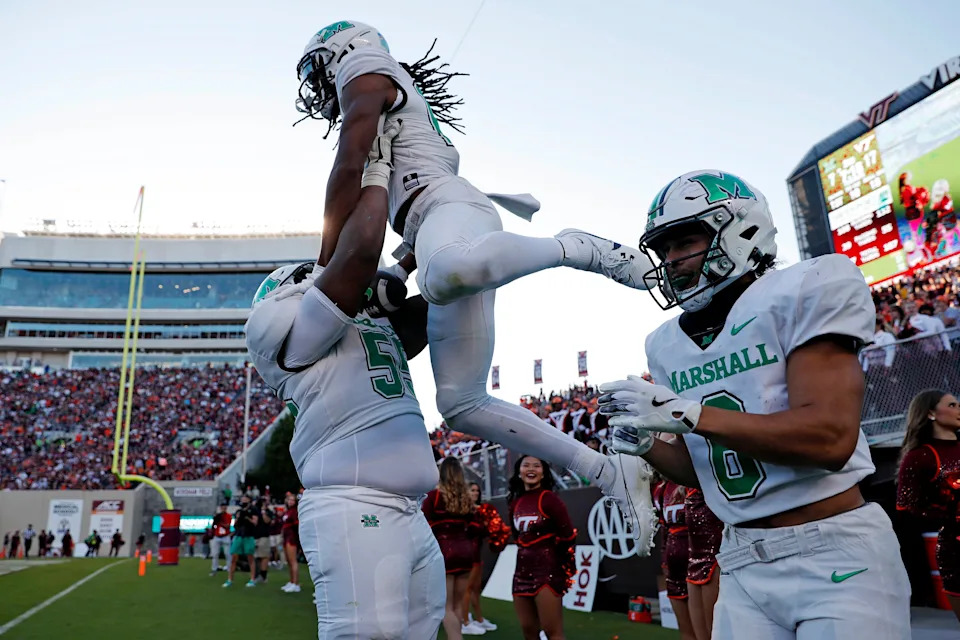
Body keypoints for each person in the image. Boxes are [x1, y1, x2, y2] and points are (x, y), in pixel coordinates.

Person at [294, 20, 659, 543]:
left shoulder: (365, 68)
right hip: (437, 228)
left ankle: (573, 247)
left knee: (449, 273)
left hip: (452, 213)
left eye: (317, 68)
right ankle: (607, 471)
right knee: (461, 402)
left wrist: (325, 265)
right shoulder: (386, 94)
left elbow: (349, 163)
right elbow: (418, 216)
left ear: (343, 50)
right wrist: (400, 268)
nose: (318, 86)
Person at [598, 170, 911, 639]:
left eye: (684, 242)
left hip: (835, 553)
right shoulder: (665, 344)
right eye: (663, 250)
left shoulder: (809, 285)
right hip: (741, 560)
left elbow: (829, 439)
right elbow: (705, 469)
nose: (672, 261)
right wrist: (646, 445)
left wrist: (687, 414)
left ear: (742, 230)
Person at [245, 119, 444, 638]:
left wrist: (435, 234)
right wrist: (375, 165)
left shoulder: (360, 328)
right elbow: (354, 259)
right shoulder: (293, 334)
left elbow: (440, 297)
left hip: (410, 511)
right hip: (354, 507)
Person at [896, 389, 960, 621]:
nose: (958, 409)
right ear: (931, 413)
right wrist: (949, 511)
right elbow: (906, 508)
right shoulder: (919, 457)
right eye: (952, 405)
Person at [507, 455, 575, 640]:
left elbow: (568, 536)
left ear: (543, 473)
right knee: (528, 631)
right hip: (520, 574)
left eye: (537, 466)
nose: (531, 469)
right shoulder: (516, 503)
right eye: (526, 465)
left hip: (547, 573)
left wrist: (555, 564)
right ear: (519, 472)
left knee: (552, 631)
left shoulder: (550, 499)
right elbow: (517, 536)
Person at [422, 458, 481, 639]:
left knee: (445, 608)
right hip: (465, 552)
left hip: (444, 552)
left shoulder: (434, 496)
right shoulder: (465, 497)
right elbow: (475, 528)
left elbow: (425, 526)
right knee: (457, 605)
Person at [461, 482, 509, 634]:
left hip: (477, 552)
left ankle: (479, 619)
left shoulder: (482, 510)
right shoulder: (463, 511)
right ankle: (465, 621)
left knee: (476, 588)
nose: (475, 493)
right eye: (472, 490)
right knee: (467, 588)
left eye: (477, 491)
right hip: (467, 553)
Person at [652, 474, 696, 640]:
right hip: (674, 564)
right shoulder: (660, 489)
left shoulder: (695, 479)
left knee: (707, 631)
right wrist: (665, 562)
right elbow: (665, 531)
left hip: (702, 563)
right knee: (686, 632)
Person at [224, 495, 258, 588]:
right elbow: (235, 525)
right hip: (239, 535)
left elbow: (255, 522)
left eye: (245, 499)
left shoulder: (253, 510)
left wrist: (247, 517)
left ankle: (252, 579)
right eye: (242, 500)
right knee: (234, 557)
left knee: (250, 557)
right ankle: (230, 579)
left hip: (249, 535)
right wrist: (238, 518)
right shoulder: (238, 511)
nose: (243, 501)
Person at [280, 492, 301, 593]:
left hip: (291, 537)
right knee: (288, 561)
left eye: (292, 500)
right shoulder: (288, 511)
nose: (290, 501)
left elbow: (296, 526)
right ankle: (291, 581)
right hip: (286, 536)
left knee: (293, 561)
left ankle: (296, 584)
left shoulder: (294, 512)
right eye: (289, 500)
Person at [253, 498, 274, 583]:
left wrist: (263, 511)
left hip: (264, 536)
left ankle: (263, 576)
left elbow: (267, 521)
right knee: (255, 557)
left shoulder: (268, 512)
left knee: (264, 556)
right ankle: (256, 575)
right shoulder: (255, 510)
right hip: (255, 536)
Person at [210, 504, 232, 575]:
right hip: (217, 536)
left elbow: (227, 526)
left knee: (227, 554)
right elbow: (214, 526)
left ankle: (229, 569)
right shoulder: (218, 516)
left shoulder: (228, 516)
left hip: (225, 536)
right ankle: (214, 568)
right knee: (215, 554)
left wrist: (220, 522)